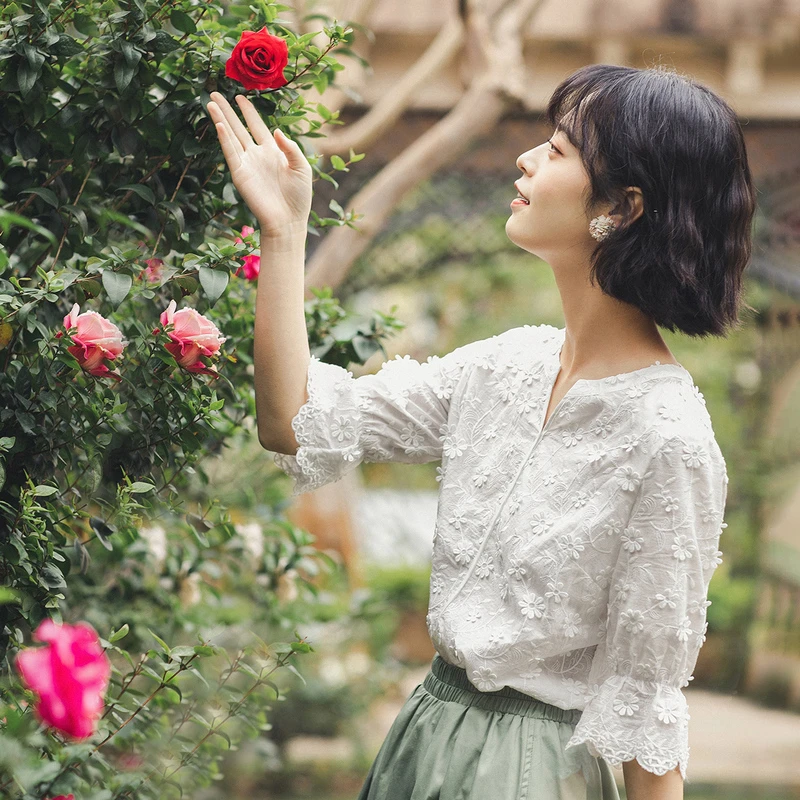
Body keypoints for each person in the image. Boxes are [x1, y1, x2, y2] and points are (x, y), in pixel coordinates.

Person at [205, 61, 756, 800]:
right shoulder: (504, 366)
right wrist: (284, 232)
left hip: (535, 775)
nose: (527, 160)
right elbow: (295, 422)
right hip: (424, 737)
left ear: (622, 208)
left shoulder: (669, 437)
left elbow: (646, 714)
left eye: (559, 151)